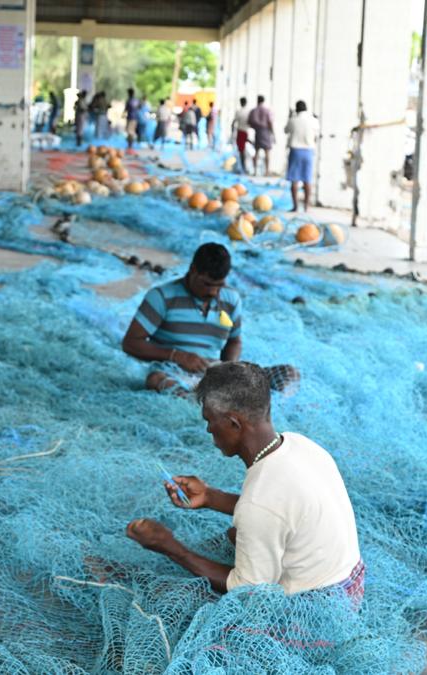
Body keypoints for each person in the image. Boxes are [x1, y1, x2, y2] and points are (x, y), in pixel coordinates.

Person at [126, 362, 365, 599]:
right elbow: (281, 508)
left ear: (233, 424)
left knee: (178, 595)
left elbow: (247, 589)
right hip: (351, 578)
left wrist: (170, 547)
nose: (208, 429)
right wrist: (209, 496)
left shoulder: (260, 500)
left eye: (209, 420)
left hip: (317, 604)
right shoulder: (300, 444)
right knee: (238, 535)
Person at [122, 243, 299, 393]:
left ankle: (222, 398)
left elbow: (234, 341)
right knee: (156, 379)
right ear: (192, 270)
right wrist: (177, 356)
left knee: (289, 374)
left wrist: (228, 369)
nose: (213, 292)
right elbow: (130, 343)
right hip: (174, 373)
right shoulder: (161, 297)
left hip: (214, 373)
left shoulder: (231, 300)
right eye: (206, 284)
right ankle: (195, 400)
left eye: (219, 285)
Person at [284, 100, 319, 213]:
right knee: (307, 180)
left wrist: (290, 116)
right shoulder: (313, 120)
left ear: (296, 109)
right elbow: (316, 135)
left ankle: (295, 207)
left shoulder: (293, 120)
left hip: (295, 151)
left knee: (294, 180)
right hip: (308, 151)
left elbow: (286, 130)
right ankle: (306, 207)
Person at [247, 95, 274, 176]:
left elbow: (249, 122)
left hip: (258, 132)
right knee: (267, 152)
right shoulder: (267, 110)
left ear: (257, 100)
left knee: (256, 152)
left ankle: (255, 171)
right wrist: (272, 132)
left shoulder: (253, 111)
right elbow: (270, 122)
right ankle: (267, 171)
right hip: (266, 132)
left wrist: (256, 127)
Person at [232, 97, 251, 174]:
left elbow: (234, 122)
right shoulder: (249, 112)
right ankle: (244, 166)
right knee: (245, 150)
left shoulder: (239, 112)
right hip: (246, 131)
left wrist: (232, 132)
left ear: (240, 103)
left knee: (241, 151)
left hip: (240, 132)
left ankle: (243, 166)